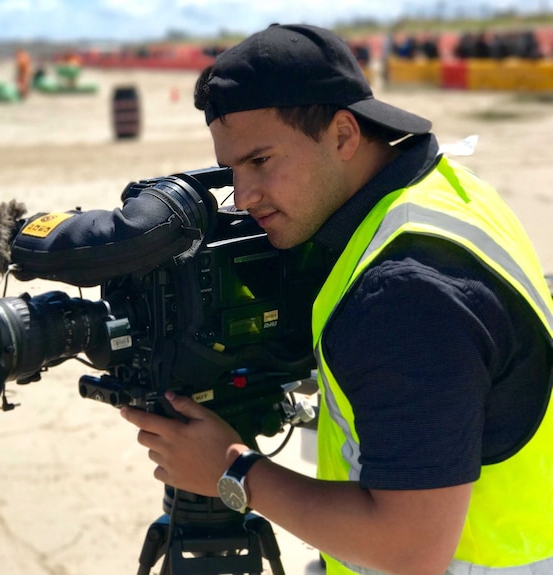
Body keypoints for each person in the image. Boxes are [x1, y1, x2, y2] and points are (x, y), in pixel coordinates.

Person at [120, 23, 553, 575]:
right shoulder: (444, 191)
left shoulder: (400, 294)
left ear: (344, 135)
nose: (244, 195)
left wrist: (231, 472)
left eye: (261, 161)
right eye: (232, 170)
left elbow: (410, 551)